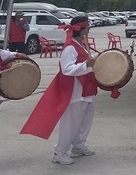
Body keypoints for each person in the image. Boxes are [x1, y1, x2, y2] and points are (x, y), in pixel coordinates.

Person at [21, 16, 97, 165]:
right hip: (74, 89)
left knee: (85, 118)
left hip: (85, 88)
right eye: (87, 28)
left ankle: (78, 145)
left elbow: (84, 61)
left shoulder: (79, 44)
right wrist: (86, 65)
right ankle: (59, 151)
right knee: (71, 122)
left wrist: (96, 58)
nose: (89, 30)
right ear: (80, 29)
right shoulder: (70, 47)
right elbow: (67, 69)